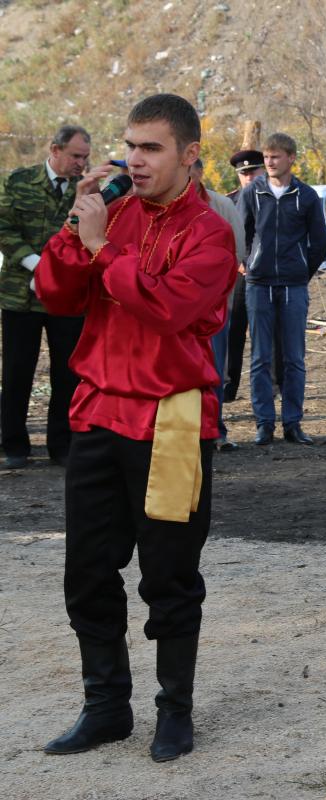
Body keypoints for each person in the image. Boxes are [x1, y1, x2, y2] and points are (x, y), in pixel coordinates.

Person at [36, 93, 237, 761]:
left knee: (169, 575)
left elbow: (168, 309)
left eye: (151, 148)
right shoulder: (110, 214)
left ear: (188, 155)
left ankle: (173, 711)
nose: (135, 160)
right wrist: (75, 231)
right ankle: (106, 707)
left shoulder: (211, 231)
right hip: (97, 413)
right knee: (88, 572)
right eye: (130, 146)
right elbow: (57, 296)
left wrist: (98, 248)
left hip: (172, 419)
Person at [0, 124, 91, 469]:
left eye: (84, 157)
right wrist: (37, 265)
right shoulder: (20, 182)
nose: (80, 163)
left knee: (67, 371)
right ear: (55, 150)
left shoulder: (86, 193)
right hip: (20, 295)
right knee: (17, 370)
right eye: (75, 156)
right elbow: (3, 227)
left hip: (67, 297)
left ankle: (62, 444)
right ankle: (14, 444)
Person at [240, 132, 326, 446]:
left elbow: (320, 242)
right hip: (258, 284)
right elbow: (242, 233)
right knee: (261, 357)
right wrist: (249, 262)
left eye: (276, 156)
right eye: (266, 157)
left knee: (294, 357)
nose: (270, 162)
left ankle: (293, 423)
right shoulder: (252, 193)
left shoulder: (306, 197)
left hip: (293, 284)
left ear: (291, 158)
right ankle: (264, 424)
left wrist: (301, 271)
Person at [190, 158, 246, 452]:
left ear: (199, 171)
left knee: (214, 368)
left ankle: (214, 429)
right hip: (179, 306)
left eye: (192, 172)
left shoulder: (221, 205)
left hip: (213, 305)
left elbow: (236, 249)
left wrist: (216, 292)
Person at [223, 149, 271, 402]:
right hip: (239, 275)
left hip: (268, 276)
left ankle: (272, 386)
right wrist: (237, 263)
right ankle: (229, 386)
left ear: (263, 171)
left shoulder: (274, 198)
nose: (249, 177)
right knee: (234, 330)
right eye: (244, 174)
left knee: (268, 333)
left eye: (253, 171)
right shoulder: (228, 202)